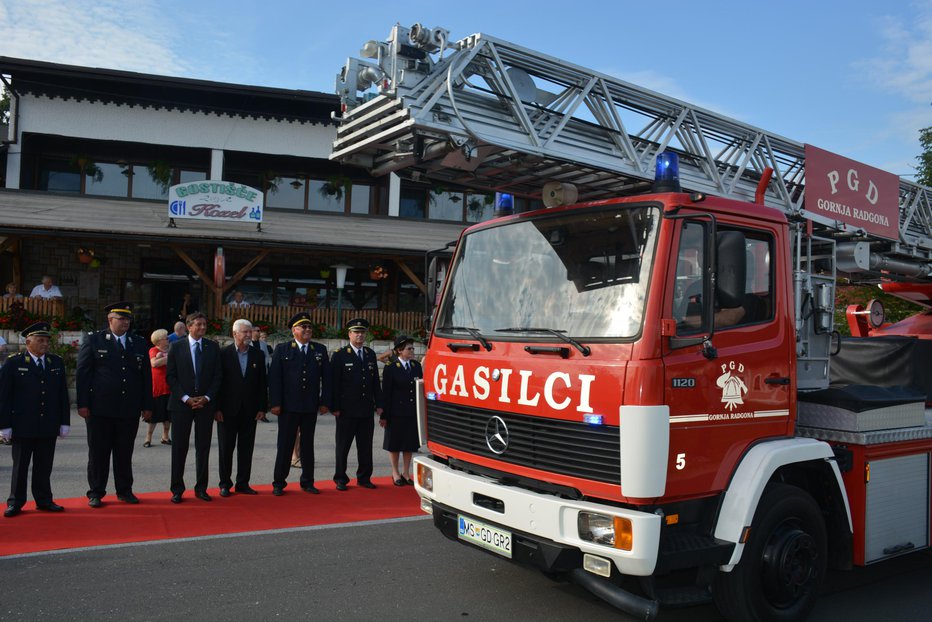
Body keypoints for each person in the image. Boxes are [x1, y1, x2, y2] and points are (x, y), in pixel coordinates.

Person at [75, 302, 153, 508]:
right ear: (110, 320)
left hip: (128, 408)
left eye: (128, 319)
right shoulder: (94, 340)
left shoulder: (138, 342)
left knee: (124, 452)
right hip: (100, 408)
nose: (126, 322)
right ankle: (96, 492)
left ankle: (124, 490)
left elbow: (146, 376)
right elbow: (83, 374)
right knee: (99, 452)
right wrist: (82, 403)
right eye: (121, 319)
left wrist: (147, 405)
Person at [0, 322, 70, 517]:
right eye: (40, 340)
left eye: (47, 340)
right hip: (22, 423)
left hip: (48, 423)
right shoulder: (14, 363)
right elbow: (3, 397)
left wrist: (64, 421)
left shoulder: (55, 362)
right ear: (28, 341)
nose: (45, 344)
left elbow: (62, 394)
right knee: (20, 466)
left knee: (44, 465)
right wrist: (4, 425)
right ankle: (15, 502)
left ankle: (44, 500)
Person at [268, 312, 330, 496]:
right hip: (288, 406)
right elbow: (274, 378)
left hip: (310, 405)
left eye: (310, 327)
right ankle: (279, 482)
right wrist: (276, 403)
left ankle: (307, 481)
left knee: (307, 445)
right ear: (294, 330)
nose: (308, 330)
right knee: (285, 445)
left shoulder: (319, 350)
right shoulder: (283, 349)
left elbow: (327, 378)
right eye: (303, 327)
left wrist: (325, 402)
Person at [166, 312, 222, 503]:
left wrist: (206, 398)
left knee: (203, 447)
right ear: (189, 326)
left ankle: (201, 488)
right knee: (179, 448)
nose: (202, 328)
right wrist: (186, 398)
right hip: (182, 405)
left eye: (204, 324)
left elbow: (218, 376)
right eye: (198, 324)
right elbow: (171, 377)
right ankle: (177, 489)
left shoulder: (212, 348)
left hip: (205, 405)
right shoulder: (176, 347)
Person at [215, 319, 267, 496]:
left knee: (246, 448)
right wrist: (217, 408)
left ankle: (243, 483)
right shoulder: (223, 354)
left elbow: (262, 383)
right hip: (227, 411)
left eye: (249, 331)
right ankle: (224, 484)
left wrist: (262, 407)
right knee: (225, 449)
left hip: (250, 411)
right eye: (244, 332)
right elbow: (218, 383)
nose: (248, 335)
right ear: (234, 333)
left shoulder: (257, 354)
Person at [329, 318, 382, 491]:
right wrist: (334, 406)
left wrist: (379, 404)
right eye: (356, 332)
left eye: (362, 332)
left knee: (365, 446)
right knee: (343, 446)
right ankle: (340, 478)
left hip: (366, 409)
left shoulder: (369, 354)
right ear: (349, 334)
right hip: (346, 409)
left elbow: (375, 382)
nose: (359, 335)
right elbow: (334, 383)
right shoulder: (340, 354)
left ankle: (364, 477)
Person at [379, 335, 422, 486]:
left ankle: (406, 472)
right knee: (395, 444)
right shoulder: (391, 368)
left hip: (411, 412)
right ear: (399, 351)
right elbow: (386, 393)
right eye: (409, 348)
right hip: (395, 412)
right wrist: (384, 415)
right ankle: (395, 472)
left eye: (412, 348)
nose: (412, 351)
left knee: (409, 444)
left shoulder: (416, 366)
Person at [144, 329, 172, 448]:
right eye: (166, 338)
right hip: (158, 387)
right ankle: (148, 437)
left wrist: (164, 359)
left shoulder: (170, 350)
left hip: (169, 387)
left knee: (167, 415)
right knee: (154, 415)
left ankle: (165, 436)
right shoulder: (153, 350)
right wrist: (169, 359)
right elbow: (154, 363)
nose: (168, 339)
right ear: (159, 340)